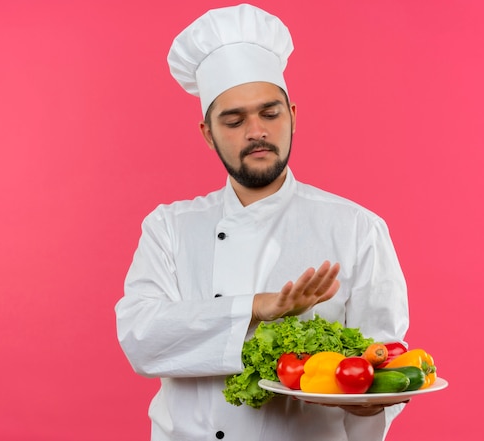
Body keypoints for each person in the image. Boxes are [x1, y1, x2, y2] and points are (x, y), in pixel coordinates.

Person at [115, 4, 409, 440]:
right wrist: (255, 307)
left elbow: (378, 366)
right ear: (207, 133)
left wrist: (369, 403)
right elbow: (142, 340)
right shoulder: (169, 229)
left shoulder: (357, 229)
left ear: (292, 114)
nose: (256, 131)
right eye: (233, 120)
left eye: (270, 114)